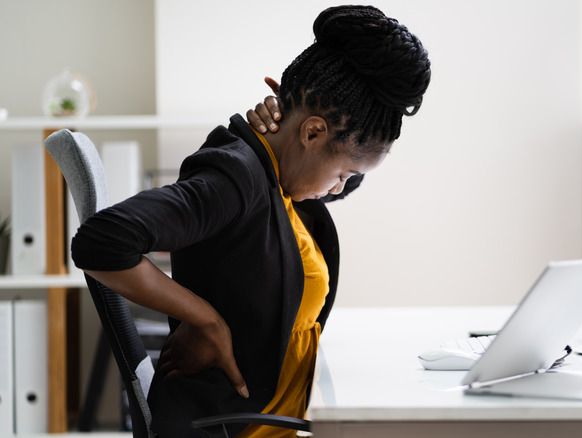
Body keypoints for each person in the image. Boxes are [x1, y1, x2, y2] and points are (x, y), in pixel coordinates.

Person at [71, 5, 430, 437]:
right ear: (312, 133)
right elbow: (102, 240)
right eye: (342, 176)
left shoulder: (278, 176)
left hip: (281, 418)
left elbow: (320, 182)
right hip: (245, 428)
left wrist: (299, 137)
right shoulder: (236, 176)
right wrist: (206, 320)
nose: (338, 189)